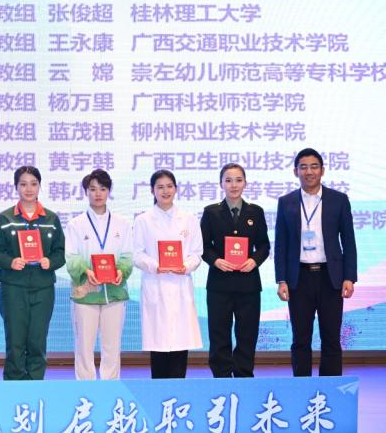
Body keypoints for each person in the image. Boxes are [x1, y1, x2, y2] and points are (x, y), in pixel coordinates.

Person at [275, 147, 357, 376]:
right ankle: (302, 387)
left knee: (331, 337)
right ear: (296, 172)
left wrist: (349, 277)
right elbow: (281, 244)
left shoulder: (339, 200)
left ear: (322, 170)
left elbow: (348, 241)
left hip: (330, 277)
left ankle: (330, 388)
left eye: (314, 166)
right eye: (303, 167)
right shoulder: (286, 202)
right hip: (298, 278)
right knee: (300, 338)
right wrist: (281, 279)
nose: (309, 172)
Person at [0, 165, 65, 380]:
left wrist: (50, 261)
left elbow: (61, 253)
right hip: (13, 288)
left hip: (43, 288)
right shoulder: (5, 219)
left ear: (40, 186)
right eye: (23, 184)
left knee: (38, 341)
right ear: (16, 187)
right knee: (15, 342)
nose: (28, 189)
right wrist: (10, 262)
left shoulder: (51, 219)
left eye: (33, 184)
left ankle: (35, 387)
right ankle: (14, 389)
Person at [200, 163, 270, 378]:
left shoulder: (255, 212)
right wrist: (216, 260)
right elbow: (203, 246)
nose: (233, 185)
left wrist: (254, 260)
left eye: (238, 180)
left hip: (248, 284)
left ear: (245, 183)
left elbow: (264, 245)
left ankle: (244, 375)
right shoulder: (211, 212)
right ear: (221, 183)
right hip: (219, 283)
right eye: (228, 180)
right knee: (219, 332)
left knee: (247, 333)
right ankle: (221, 376)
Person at [132, 169, 203, 379]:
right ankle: (159, 390)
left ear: (176, 189)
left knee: (180, 343)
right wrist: (155, 266)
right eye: (160, 187)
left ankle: (179, 389)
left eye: (169, 186)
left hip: (180, 286)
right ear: (152, 191)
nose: (165, 191)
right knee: (159, 344)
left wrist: (186, 266)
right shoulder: (143, 220)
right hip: (155, 284)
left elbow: (197, 253)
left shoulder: (189, 219)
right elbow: (137, 254)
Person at [64, 169, 133, 380]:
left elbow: (128, 255)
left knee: (112, 345)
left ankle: (111, 385)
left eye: (102, 189)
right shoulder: (76, 224)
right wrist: (86, 271)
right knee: (84, 345)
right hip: (86, 293)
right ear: (86, 192)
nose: (98, 194)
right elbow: (71, 257)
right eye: (92, 189)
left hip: (115, 293)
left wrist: (121, 271)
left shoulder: (122, 223)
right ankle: (85, 386)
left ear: (109, 191)